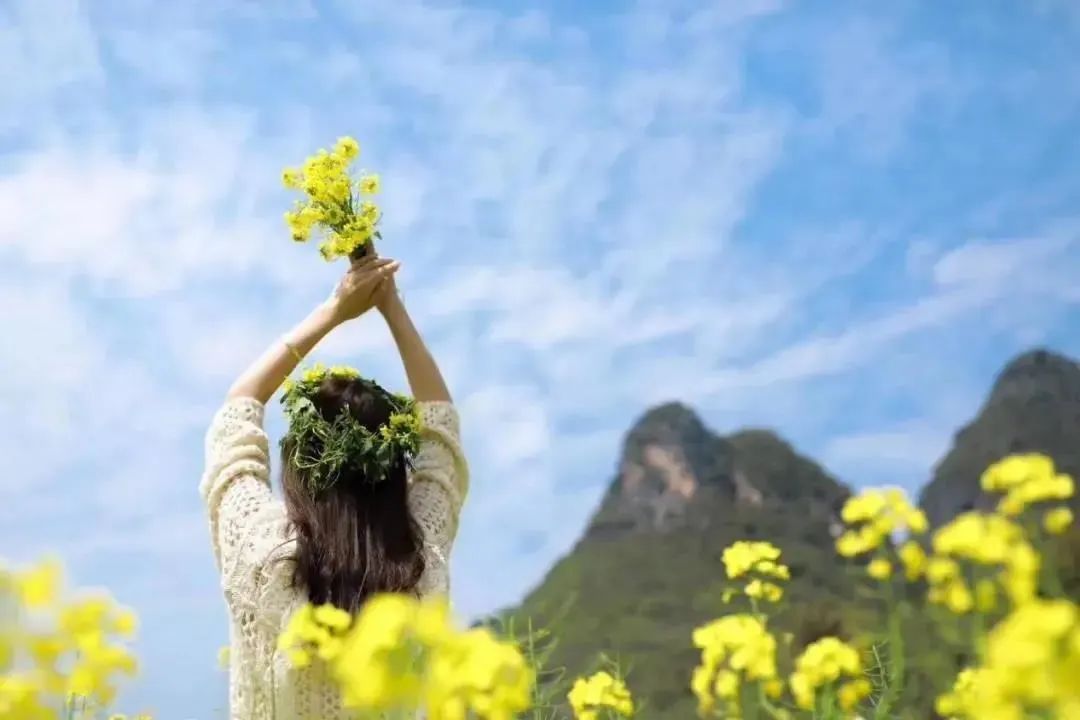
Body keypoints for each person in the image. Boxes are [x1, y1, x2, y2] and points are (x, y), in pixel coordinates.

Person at [199, 254, 468, 719]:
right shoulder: (419, 565)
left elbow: (237, 413)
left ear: (298, 467)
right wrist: (391, 307)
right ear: (390, 471)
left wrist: (334, 309)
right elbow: (440, 429)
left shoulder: (261, 552)